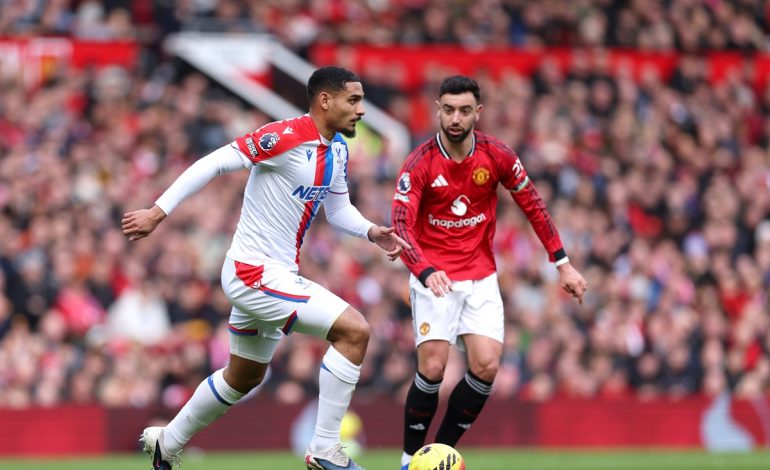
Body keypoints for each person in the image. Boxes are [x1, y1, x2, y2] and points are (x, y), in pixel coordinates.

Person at [123, 66, 409, 470]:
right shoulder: (286, 136)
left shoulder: (339, 150)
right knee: (354, 330)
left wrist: (371, 232)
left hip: (274, 275)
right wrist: (158, 211)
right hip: (252, 273)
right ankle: (325, 449)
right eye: (353, 100)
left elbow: (339, 209)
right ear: (325, 101)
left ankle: (167, 443)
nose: (361, 110)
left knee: (243, 376)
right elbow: (215, 161)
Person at [391, 75, 588, 469]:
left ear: (477, 113)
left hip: (480, 276)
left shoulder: (497, 155)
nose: (455, 118)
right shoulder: (420, 163)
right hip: (436, 277)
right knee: (432, 368)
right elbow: (400, 223)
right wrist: (425, 270)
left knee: (487, 366)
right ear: (438, 110)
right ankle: (408, 459)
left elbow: (533, 204)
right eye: (448, 109)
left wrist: (562, 264)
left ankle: (439, 456)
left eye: (464, 110)